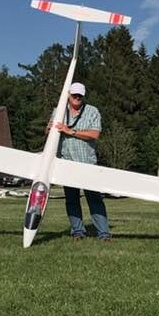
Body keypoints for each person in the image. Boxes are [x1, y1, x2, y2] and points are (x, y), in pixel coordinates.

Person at [47, 82, 111, 241]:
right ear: (68, 95)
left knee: (94, 198)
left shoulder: (92, 111)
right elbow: (48, 131)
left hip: (87, 163)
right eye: (74, 94)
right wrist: (51, 128)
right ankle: (78, 232)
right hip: (66, 163)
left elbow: (95, 134)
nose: (77, 98)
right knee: (71, 199)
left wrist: (71, 131)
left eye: (79, 95)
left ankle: (103, 233)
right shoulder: (59, 111)